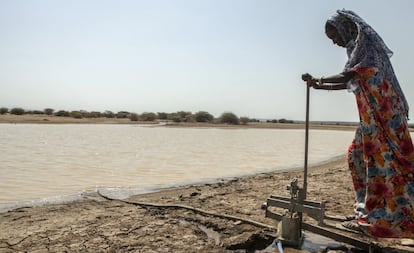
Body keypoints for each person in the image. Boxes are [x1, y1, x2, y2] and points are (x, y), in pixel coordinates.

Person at [302, 9, 414, 238]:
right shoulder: (356, 51)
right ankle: (367, 210)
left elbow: (348, 76)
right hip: (371, 118)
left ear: (345, 29)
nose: (335, 42)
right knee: (355, 156)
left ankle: (377, 219)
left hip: (384, 116)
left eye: (335, 37)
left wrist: (319, 79)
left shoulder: (366, 49)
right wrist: (319, 86)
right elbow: (350, 79)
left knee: (381, 165)